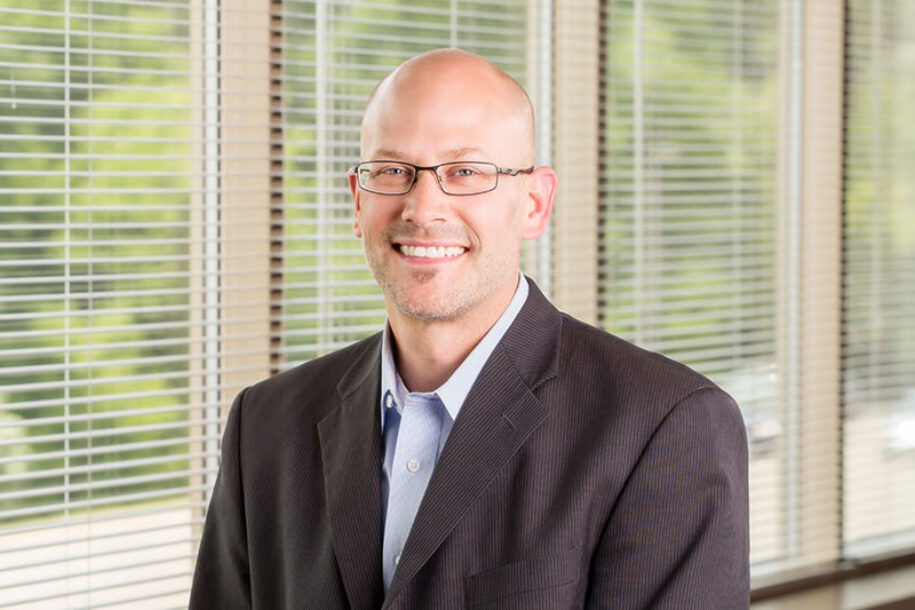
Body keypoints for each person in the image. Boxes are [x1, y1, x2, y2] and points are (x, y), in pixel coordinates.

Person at [190, 49, 749, 609]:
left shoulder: (665, 427)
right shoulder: (264, 426)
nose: (422, 207)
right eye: (392, 171)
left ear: (534, 204)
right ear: (358, 201)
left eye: (465, 172)